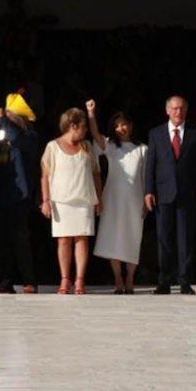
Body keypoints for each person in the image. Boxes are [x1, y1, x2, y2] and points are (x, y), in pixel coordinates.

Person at [144, 95, 196, 295]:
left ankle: (185, 281)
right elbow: (151, 164)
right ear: (167, 111)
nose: (178, 112)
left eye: (181, 108)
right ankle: (164, 281)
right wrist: (148, 190)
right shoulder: (156, 134)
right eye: (174, 108)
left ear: (186, 111)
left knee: (185, 238)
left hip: (187, 192)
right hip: (163, 192)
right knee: (164, 238)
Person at [87, 100, 147, 294]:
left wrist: (147, 200)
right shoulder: (111, 146)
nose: (121, 128)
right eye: (117, 125)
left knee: (133, 237)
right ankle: (118, 279)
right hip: (112, 198)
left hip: (135, 200)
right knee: (113, 237)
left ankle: (130, 277)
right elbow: (95, 135)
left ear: (131, 126)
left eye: (124, 124)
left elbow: (146, 177)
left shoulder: (143, 149)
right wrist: (91, 114)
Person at [40, 107, 102, 295]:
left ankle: (80, 280)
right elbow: (45, 176)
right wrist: (46, 200)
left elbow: (96, 173)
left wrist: (99, 199)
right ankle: (65, 279)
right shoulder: (53, 146)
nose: (85, 131)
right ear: (72, 126)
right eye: (83, 127)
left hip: (84, 199)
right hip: (61, 200)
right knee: (64, 241)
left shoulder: (87, 146)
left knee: (82, 239)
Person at [0, 91, 39, 294]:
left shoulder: (28, 136)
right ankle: (4, 281)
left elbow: (16, 137)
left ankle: (30, 280)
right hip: (1, 192)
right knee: (1, 240)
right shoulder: (4, 135)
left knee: (21, 239)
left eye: (9, 118)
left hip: (20, 195)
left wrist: (1, 118)